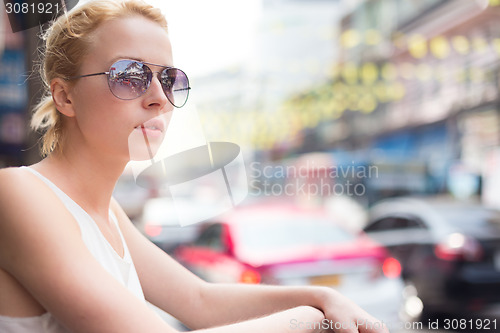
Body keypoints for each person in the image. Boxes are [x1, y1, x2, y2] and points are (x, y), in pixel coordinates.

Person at [0, 1, 390, 332]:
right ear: (65, 96)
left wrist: (323, 295)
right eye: (129, 76)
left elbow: (198, 299)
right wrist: (310, 318)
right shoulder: (17, 194)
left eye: (169, 79)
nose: (159, 99)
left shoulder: (106, 212)